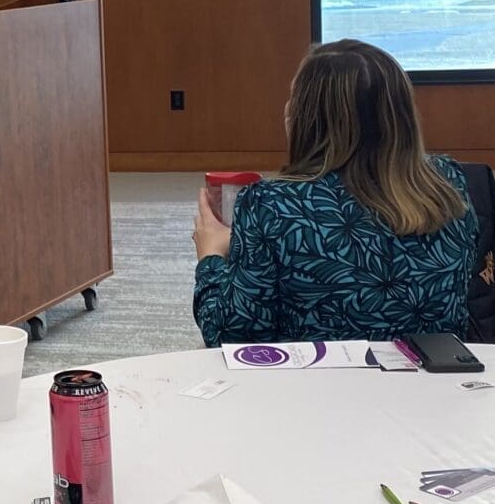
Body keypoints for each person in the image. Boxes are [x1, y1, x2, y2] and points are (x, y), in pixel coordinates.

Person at [192, 39, 478, 347]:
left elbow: (234, 340)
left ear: (306, 117)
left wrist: (211, 256)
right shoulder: (449, 182)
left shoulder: (270, 205)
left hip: (312, 390)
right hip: (435, 386)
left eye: (294, 97)